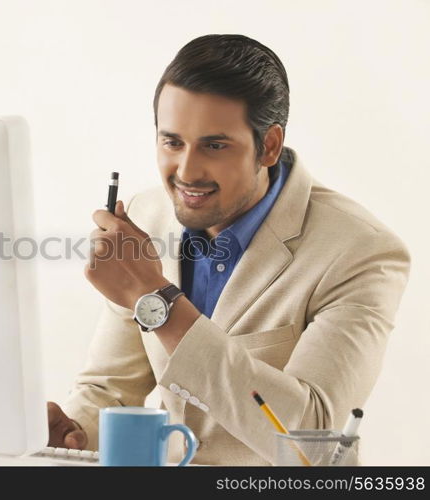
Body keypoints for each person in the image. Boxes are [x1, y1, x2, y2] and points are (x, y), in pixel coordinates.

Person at [46, 34, 411, 465]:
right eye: (172, 142)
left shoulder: (362, 252)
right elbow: (111, 387)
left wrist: (157, 299)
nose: (186, 171)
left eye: (214, 146)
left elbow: (314, 439)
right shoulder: (147, 215)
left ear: (269, 145)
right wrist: (73, 430)